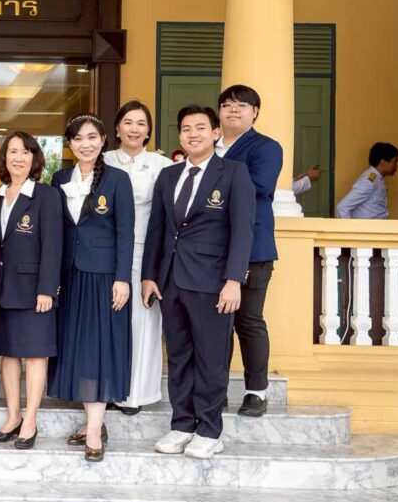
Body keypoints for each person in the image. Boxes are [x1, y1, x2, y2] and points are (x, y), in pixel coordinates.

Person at [143, 104, 255, 459]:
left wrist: (234, 280)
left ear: (215, 132)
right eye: (186, 129)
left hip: (213, 282)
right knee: (179, 357)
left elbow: (243, 231)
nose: (193, 134)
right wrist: (149, 275)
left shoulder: (234, 173)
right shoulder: (169, 176)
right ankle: (182, 425)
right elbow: (157, 230)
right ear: (179, 135)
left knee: (210, 359)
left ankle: (209, 429)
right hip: (171, 281)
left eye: (201, 128)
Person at [48, 114, 134, 463]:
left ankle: (95, 430)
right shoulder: (59, 179)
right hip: (69, 275)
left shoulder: (118, 180)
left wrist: (122, 278)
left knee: (99, 349)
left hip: (103, 277)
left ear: (103, 141)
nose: (85, 144)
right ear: (70, 145)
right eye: (78, 139)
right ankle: (91, 421)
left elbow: (126, 233)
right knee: (77, 348)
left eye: (91, 137)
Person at [0, 132, 62, 450]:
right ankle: (13, 416)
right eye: (12, 152)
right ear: (4, 158)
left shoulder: (46, 195)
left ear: (35, 158)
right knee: (8, 355)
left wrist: (47, 289)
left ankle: (30, 420)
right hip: (1, 288)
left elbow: (53, 246)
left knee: (34, 355)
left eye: (25, 152)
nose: (18, 158)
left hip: (34, 291)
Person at [215, 84, 283, 418]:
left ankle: (256, 391)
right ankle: (215, 390)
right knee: (216, 323)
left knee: (248, 321)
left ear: (255, 112)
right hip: (210, 250)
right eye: (227, 104)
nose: (234, 110)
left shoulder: (266, 147)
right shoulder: (207, 145)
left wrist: (211, 184)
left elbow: (260, 186)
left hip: (253, 249)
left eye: (242, 105)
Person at [103, 100, 173, 415]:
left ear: (148, 131)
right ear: (117, 128)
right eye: (128, 122)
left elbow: (166, 218)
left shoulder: (162, 166)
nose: (134, 129)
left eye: (141, 123)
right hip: (106, 252)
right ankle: (106, 388)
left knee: (142, 322)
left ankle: (135, 394)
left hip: (145, 251)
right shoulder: (102, 161)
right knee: (108, 321)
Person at [336, 143, 398, 219]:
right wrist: (352, 227)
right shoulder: (369, 181)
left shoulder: (377, 179)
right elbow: (342, 208)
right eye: (394, 162)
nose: (396, 166)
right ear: (382, 162)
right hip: (369, 226)